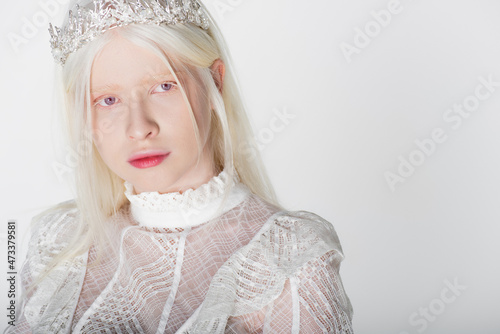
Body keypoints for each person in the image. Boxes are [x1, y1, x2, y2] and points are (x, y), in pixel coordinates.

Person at [8, 0, 353, 332]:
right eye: (108, 100)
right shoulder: (57, 241)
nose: (139, 127)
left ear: (215, 80)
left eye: (163, 86)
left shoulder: (291, 260)